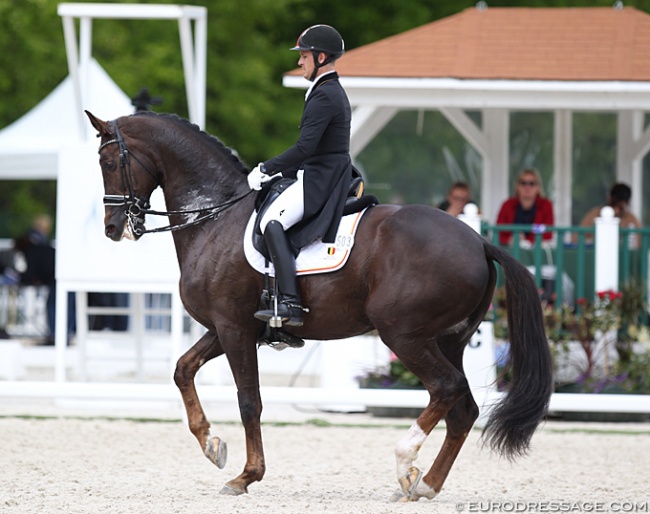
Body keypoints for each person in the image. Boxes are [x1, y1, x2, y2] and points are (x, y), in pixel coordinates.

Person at [246, 24, 352, 327]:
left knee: (271, 221)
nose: (299, 62)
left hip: (321, 176)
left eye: (304, 56)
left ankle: (290, 302)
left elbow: (305, 148)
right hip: (321, 169)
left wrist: (266, 168)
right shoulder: (325, 90)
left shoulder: (325, 95)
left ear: (320, 57)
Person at [496, 168, 554, 246]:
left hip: (536, 253)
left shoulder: (546, 205)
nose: (527, 187)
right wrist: (510, 241)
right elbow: (497, 233)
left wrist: (526, 242)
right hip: (510, 251)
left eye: (532, 183)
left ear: (538, 187)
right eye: (523, 183)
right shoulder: (507, 205)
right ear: (517, 186)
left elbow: (548, 234)